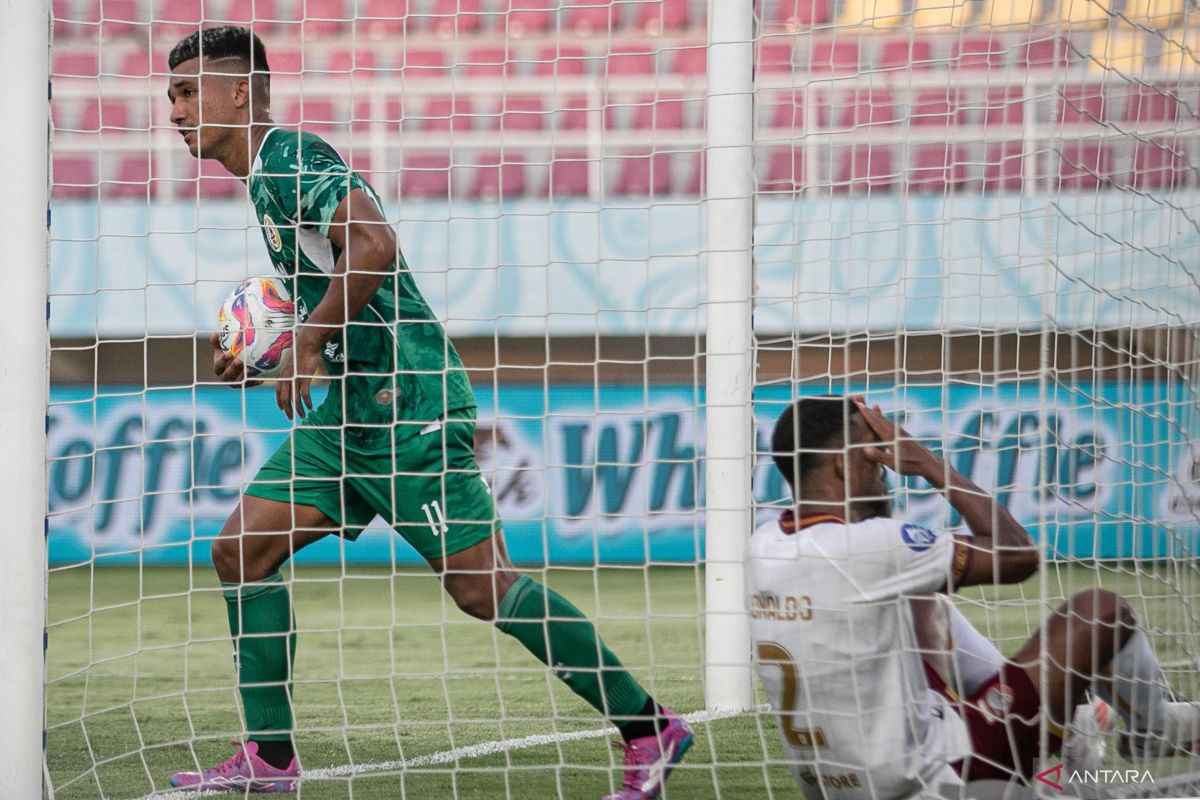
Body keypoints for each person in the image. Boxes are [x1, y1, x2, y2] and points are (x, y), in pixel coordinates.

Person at [164, 26, 692, 797]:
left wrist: (308, 341)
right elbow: (335, 275)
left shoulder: (289, 155)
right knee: (242, 551)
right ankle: (270, 760)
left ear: (239, 90)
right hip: (348, 410)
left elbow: (373, 244)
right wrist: (270, 353)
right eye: (170, 96)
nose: (173, 111)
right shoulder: (266, 180)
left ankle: (650, 728)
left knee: (483, 590)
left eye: (185, 92)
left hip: (405, 403)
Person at [749, 394, 1198, 799]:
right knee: (1099, 612)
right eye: (875, 453)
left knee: (923, 594)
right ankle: (1147, 732)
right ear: (845, 465)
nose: (886, 466)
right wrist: (926, 462)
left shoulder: (763, 545)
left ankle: (1075, 732)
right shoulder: (873, 547)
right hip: (944, 778)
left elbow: (881, 554)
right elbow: (1018, 553)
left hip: (840, 788)